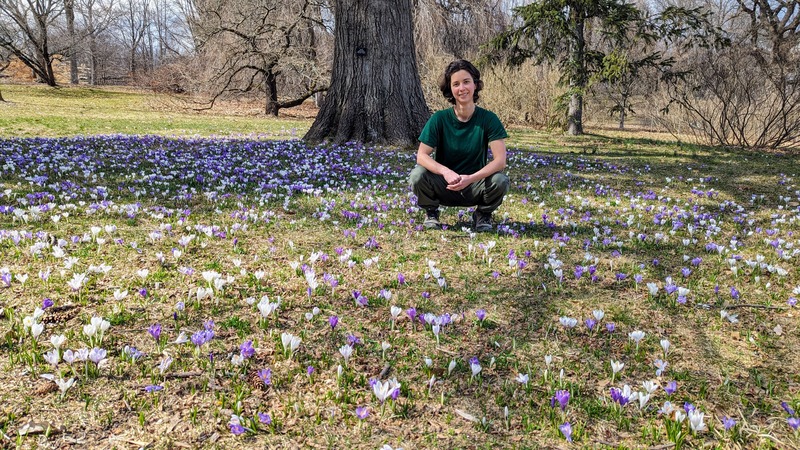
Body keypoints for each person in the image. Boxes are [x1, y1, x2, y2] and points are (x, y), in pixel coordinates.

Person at [409, 59, 510, 232]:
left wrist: (470, 178)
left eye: (466, 82)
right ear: (450, 89)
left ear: (475, 85)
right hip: (444, 185)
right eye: (456, 84)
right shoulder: (439, 119)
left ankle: (483, 214)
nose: (461, 88)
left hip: (474, 185)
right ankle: (431, 212)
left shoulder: (489, 119)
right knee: (417, 175)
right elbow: (422, 156)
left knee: (500, 180)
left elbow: (500, 161)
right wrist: (446, 172)